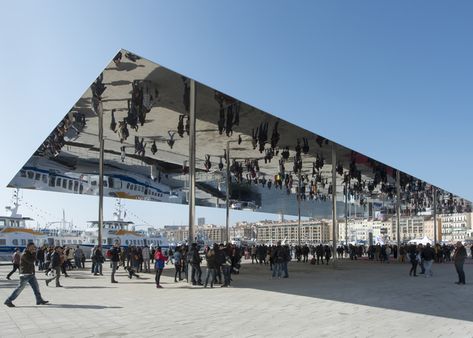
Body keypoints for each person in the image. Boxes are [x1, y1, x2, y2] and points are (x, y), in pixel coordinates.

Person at [4, 243, 49, 307]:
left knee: (36, 287)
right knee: (19, 289)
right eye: (32, 247)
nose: (33, 248)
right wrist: (34, 253)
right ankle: (8, 301)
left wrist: (33, 253)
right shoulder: (24, 254)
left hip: (31, 274)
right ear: (28, 247)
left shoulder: (30, 253)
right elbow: (31, 261)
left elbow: (34, 261)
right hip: (25, 274)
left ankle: (39, 300)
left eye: (34, 247)